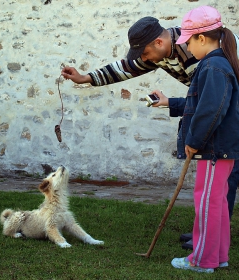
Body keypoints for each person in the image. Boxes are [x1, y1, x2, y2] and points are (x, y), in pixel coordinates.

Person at [61, 11, 239, 247]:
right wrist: (86, 78)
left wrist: (195, 137)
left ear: (159, 42)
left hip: (230, 117)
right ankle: (206, 232)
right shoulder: (161, 51)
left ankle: (210, 238)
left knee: (224, 180)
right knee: (214, 183)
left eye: (145, 53)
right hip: (223, 112)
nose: (144, 59)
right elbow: (124, 67)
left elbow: (210, 102)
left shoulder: (199, 53)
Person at [150, 5, 239, 273]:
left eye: (188, 42)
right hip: (219, 149)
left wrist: (195, 140)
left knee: (207, 203)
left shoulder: (213, 65)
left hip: (213, 148)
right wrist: (169, 103)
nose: (187, 48)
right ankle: (218, 256)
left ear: (201, 38)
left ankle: (203, 260)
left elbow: (211, 109)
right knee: (217, 202)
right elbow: (199, 102)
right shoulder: (217, 64)